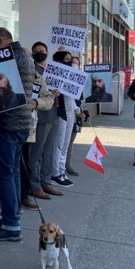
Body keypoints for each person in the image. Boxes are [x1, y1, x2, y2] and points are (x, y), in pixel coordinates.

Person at [0, 27, 35, 242]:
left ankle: (11, 226)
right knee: (12, 173)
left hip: (6, 125)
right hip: (21, 124)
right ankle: (11, 216)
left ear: (1, 40)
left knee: (5, 175)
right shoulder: (24, 56)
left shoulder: (7, 56)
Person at [21, 42, 64, 209]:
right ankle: (35, 185)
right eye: (36, 51)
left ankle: (46, 181)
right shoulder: (33, 71)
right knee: (36, 153)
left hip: (53, 114)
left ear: (47, 52)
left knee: (48, 151)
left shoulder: (52, 70)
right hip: (40, 116)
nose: (39, 53)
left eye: (42, 51)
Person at [49, 49, 77, 189]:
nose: (70, 62)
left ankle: (61, 170)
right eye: (67, 60)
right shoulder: (54, 75)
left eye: (70, 59)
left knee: (65, 144)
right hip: (61, 112)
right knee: (59, 144)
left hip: (70, 111)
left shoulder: (71, 74)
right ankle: (55, 172)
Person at [64, 55, 86, 177]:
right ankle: (62, 166)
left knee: (70, 142)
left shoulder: (80, 81)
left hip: (77, 116)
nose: (74, 66)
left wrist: (80, 113)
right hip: (66, 116)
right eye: (72, 63)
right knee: (63, 142)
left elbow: (80, 99)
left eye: (77, 64)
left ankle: (67, 164)